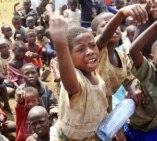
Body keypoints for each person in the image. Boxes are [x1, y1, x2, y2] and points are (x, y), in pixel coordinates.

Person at [47, 7, 108, 140]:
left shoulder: (94, 74)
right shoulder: (76, 79)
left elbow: (100, 106)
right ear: (69, 56)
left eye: (92, 45)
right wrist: (60, 43)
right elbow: (72, 86)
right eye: (81, 49)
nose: (90, 51)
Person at [92, 4, 148, 111]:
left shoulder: (122, 57)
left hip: (106, 108)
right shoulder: (94, 50)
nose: (114, 28)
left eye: (116, 24)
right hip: (88, 108)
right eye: (105, 25)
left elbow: (128, 80)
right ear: (95, 34)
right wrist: (121, 14)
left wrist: (134, 92)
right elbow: (104, 37)